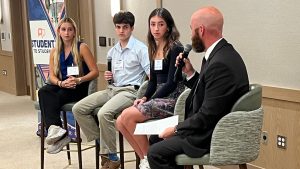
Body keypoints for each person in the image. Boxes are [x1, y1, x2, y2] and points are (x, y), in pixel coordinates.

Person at [147, 6, 250, 169]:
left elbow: (207, 115)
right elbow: (208, 93)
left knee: (155, 152)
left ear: (201, 30)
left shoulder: (220, 64)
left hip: (210, 135)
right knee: (155, 138)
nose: (190, 35)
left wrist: (175, 129)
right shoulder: (219, 54)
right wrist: (190, 73)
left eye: (191, 29)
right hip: (209, 125)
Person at [72, 11, 150, 169]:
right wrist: (110, 77)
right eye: (118, 27)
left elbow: (151, 76)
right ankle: (103, 144)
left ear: (132, 28)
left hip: (130, 92)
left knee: (103, 113)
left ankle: (112, 156)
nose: (121, 31)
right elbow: (113, 78)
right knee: (78, 108)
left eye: (125, 27)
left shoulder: (141, 49)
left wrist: (145, 95)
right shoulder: (112, 51)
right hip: (112, 89)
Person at [116, 8, 185, 169]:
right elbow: (152, 81)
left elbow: (171, 83)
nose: (156, 28)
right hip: (157, 97)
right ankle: (145, 159)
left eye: (160, 24)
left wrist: (151, 99)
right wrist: (145, 98)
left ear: (168, 27)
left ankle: (149, 158)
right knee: (120, 122)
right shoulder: (153, 47)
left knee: (127, 116)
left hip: (173, 98)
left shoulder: (175, 47)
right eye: (152, 24)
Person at [38, 17, 99, 154]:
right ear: (59, 31)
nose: (66, 33)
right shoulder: (54, 51)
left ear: (74, 32)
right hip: (62, 84)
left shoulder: (82, 47)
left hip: (78, 86)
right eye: (63, 29)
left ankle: (59, 133)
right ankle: (58, 131)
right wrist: (60, 83)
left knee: (54, 96)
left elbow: (95, 72)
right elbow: (52, 76)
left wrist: (79, 80)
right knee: (43, 91)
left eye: (70, 30)